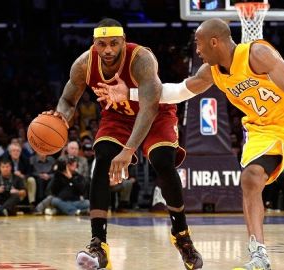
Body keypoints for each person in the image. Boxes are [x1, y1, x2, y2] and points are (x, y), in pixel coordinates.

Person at [96, 18, 284, 270]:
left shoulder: (257, 54)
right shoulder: (211, 72)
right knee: (250, 178)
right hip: (263, 130)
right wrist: (130, 93)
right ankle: (258, 254)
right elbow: (176, 91)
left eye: (199, 43)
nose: (197, 50)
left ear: (215, 41)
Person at [43, 18, 202, 270]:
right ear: (94, 44)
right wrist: (60, 117)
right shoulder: (84, 64)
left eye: (113, 44)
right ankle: (98, 244)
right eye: (101, 44)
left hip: (155, 113)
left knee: (162, 160)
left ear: (123, 42)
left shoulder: (141, 59)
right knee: (102, 158)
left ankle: (181, 236)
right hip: (117, 115)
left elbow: (149, 107)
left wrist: (128, 150)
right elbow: (68, 99)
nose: (107, 50)